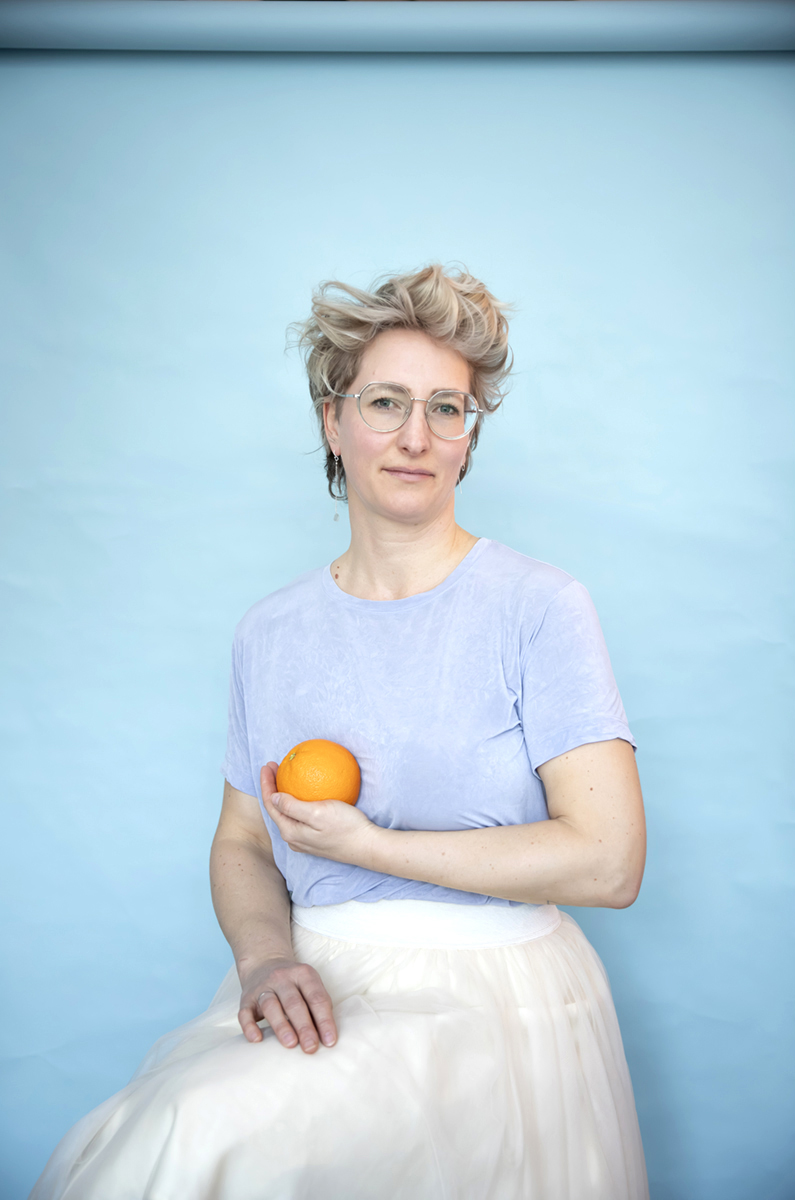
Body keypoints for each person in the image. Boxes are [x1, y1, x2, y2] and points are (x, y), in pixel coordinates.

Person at [31, 263, 649, 1200]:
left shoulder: (539, 607)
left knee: (197, 1138)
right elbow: (243, 840)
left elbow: (609, 863)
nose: (415, 437)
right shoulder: (269, 631)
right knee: (144, 1142)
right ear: (332, 420)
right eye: (385, 402)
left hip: (487, 999)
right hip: (319, 982)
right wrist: (265, 960)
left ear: (470, 436)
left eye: (447, 409)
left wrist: (373, 848)